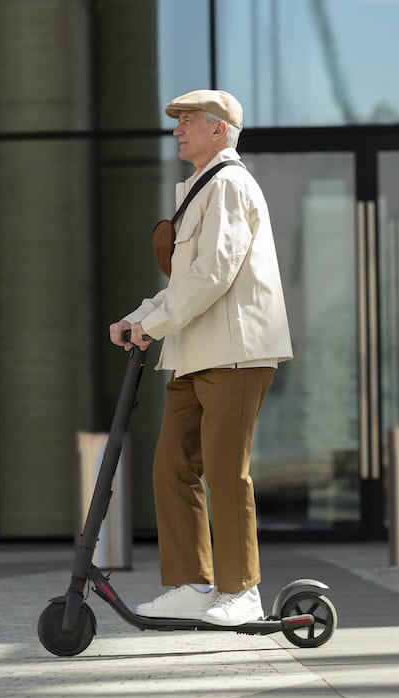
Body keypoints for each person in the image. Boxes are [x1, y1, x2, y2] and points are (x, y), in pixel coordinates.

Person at [108, 89, 292, 626]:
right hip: (194, 354)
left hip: (234, 353)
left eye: (187, 121)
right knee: (172, 465)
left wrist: (153, 325)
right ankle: (193, 583)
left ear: (220, 129)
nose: (177, 130)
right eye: (178, 122)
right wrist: (140, 316)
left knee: (224, 470)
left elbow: (214, 273)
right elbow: (189, 279)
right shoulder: (200, 189)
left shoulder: (231, 185)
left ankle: (243, 591)